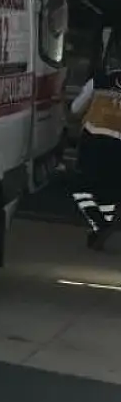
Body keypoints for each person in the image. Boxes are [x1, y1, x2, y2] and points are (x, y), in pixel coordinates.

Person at [70, 32, 121, 250]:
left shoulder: (98, 81)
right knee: (110, 192)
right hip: (118, 147)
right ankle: (102, 226)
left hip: (93, 142)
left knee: (81, 188)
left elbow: (75, 108)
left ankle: (99, 224)